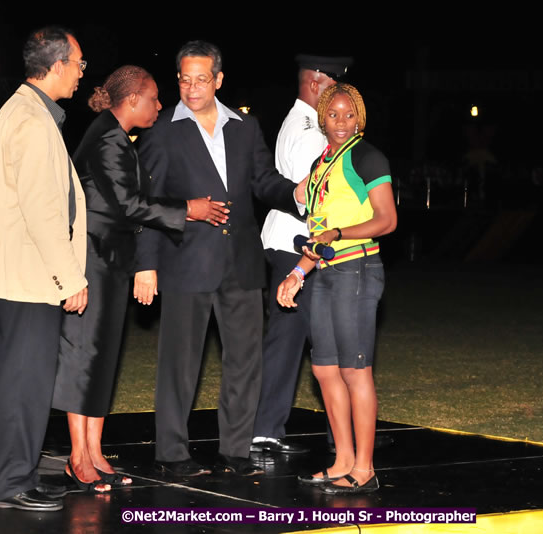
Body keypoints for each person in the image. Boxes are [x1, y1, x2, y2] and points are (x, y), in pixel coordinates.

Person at [51, 66, 229, 492]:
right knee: (84, 356)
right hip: (92, 258)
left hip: (110, 260)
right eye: (153, 98)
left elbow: (134, 202)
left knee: (103, 356)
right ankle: (78, 458)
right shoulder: (108, 137)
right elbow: (130, 205)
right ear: (132, 99)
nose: (159, 105)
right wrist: (188, 209)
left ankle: (94, 451)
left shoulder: (115, 134)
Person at [134, 41, 304, 477]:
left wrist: (295, 192)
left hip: (242, 263)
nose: (192, 88)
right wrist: (145, 264)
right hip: (184, 264)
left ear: (219, 80)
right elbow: (146, 204)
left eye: (201, 79)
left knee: (246, 361)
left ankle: (236, 451)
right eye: (185, 79)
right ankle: (172, 454)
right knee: (179, 363)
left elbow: (264, 182)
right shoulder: (162, 131)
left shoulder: (245, 127)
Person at [0, 26, 87, 511]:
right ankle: (11, 484)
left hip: (21, 275)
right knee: (25, 383)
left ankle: (13, 476)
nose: (83, 72)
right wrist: (71, 278)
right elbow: (44, 211)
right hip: (30, 277)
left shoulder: (24, 110)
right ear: (57, 65)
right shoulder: (33, 121)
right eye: (79, 63)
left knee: (22, 382)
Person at [277, 83, 397, 494]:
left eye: (349, 115)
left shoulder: (368, 157)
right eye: (333, 115)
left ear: (359, 117)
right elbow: (317, 232)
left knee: (354, 369)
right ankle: (342, 460)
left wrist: (341, 232)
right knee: (325, 369)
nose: (341, 122)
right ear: (322, 118)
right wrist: (297, 272)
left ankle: (364, 468)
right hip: (325, 274)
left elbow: (386, 219)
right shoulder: (321, 162)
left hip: (358, 270)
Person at [252, 54, 352, 455]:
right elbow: (316, 197)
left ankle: (272, 430)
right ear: (314, 83)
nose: (338, 99)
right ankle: (274, 431)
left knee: (299, 339)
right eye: (333, 86)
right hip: (300, 246)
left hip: (290, 243)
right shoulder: (311, 131)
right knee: (319, 342)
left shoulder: (297, 122)